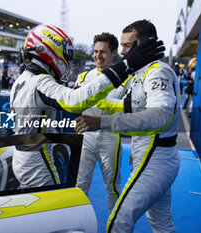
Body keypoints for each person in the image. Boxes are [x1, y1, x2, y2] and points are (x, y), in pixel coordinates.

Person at [10, 24, 164, 189]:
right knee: (49, 207)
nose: (67, 62)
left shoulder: (22, 79)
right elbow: (74, 101)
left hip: (21, 154)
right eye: (65, 56)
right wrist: (124, 66)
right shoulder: (40, 81)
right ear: (49, 50)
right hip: (37, 158)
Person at [74, 20, 180, 233]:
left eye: (127, 46)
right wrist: (87, 100)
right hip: (150, 153)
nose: (122, 52)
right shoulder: (141, 74)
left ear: (144, 45)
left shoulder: (157, 72)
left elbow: (159, 117)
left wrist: (102, 122)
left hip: (156, 156)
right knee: (160, 223)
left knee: (117, 221)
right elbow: (125, 107)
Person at [75, 33, 131, 214]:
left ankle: (115, 227)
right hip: (85, 138)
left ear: (114, 52)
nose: (98, 56)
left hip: (110, 138)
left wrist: (92, 100)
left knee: (113, 188)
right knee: (79, 188)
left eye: (103, 52)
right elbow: (74, 107)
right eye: (95, 51)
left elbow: (128, 110)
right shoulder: (83, 77)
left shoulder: (126, 78)